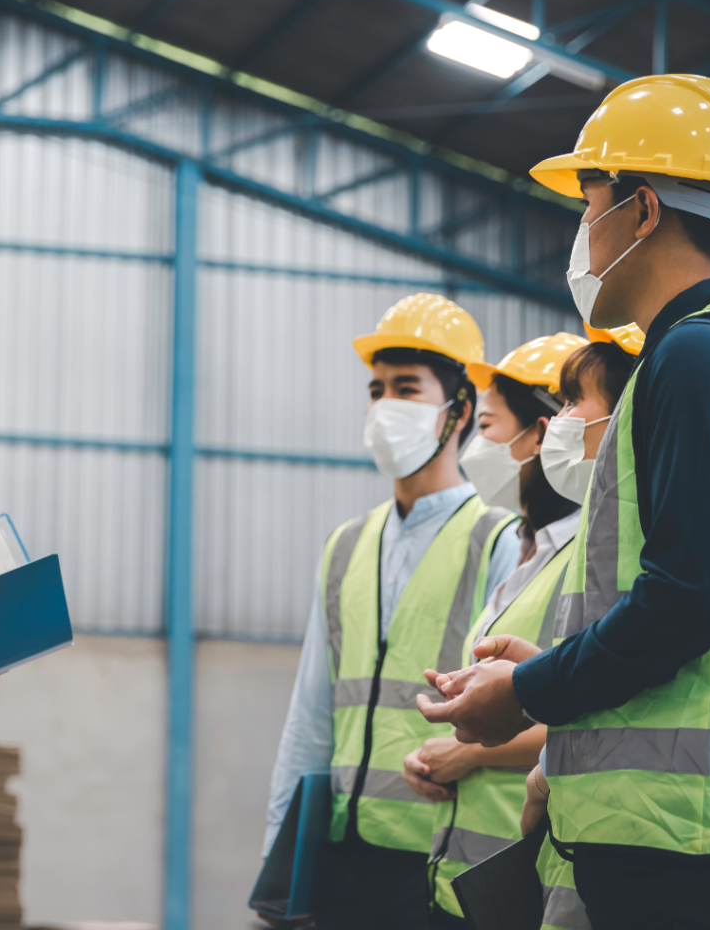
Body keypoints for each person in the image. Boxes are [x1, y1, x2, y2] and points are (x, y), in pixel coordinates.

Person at [415, 74, 710, 929]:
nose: (582, 230)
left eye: (588, 197)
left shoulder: (699, 358)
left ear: (641, 210)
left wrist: (528, 691)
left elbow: (690, 598)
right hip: (680, 830)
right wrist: (556, 663)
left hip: (681, 834)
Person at [261, 294, 519, 929]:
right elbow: (310, 714)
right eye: (376, 390)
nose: (384, 407)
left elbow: (521, 705)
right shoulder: (345, 545)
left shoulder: (501, 539)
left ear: (458, 409)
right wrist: (279, 858)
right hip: (342, 852)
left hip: (442, 856)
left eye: (406, 388)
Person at [401, 332, 587, 926]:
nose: (476, 445)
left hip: (527, 873)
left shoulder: (587, 559)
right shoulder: (520, 550)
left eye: (487, 427)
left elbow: (586, 713)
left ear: (539, 434)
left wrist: (468, 755)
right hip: (464, 874)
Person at [518, 324, 642, 930]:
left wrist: (525, 690)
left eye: (572, 403)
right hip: (580, 835)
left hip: (637, 841)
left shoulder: (643, 534)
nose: (558, 423)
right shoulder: (599, 531)